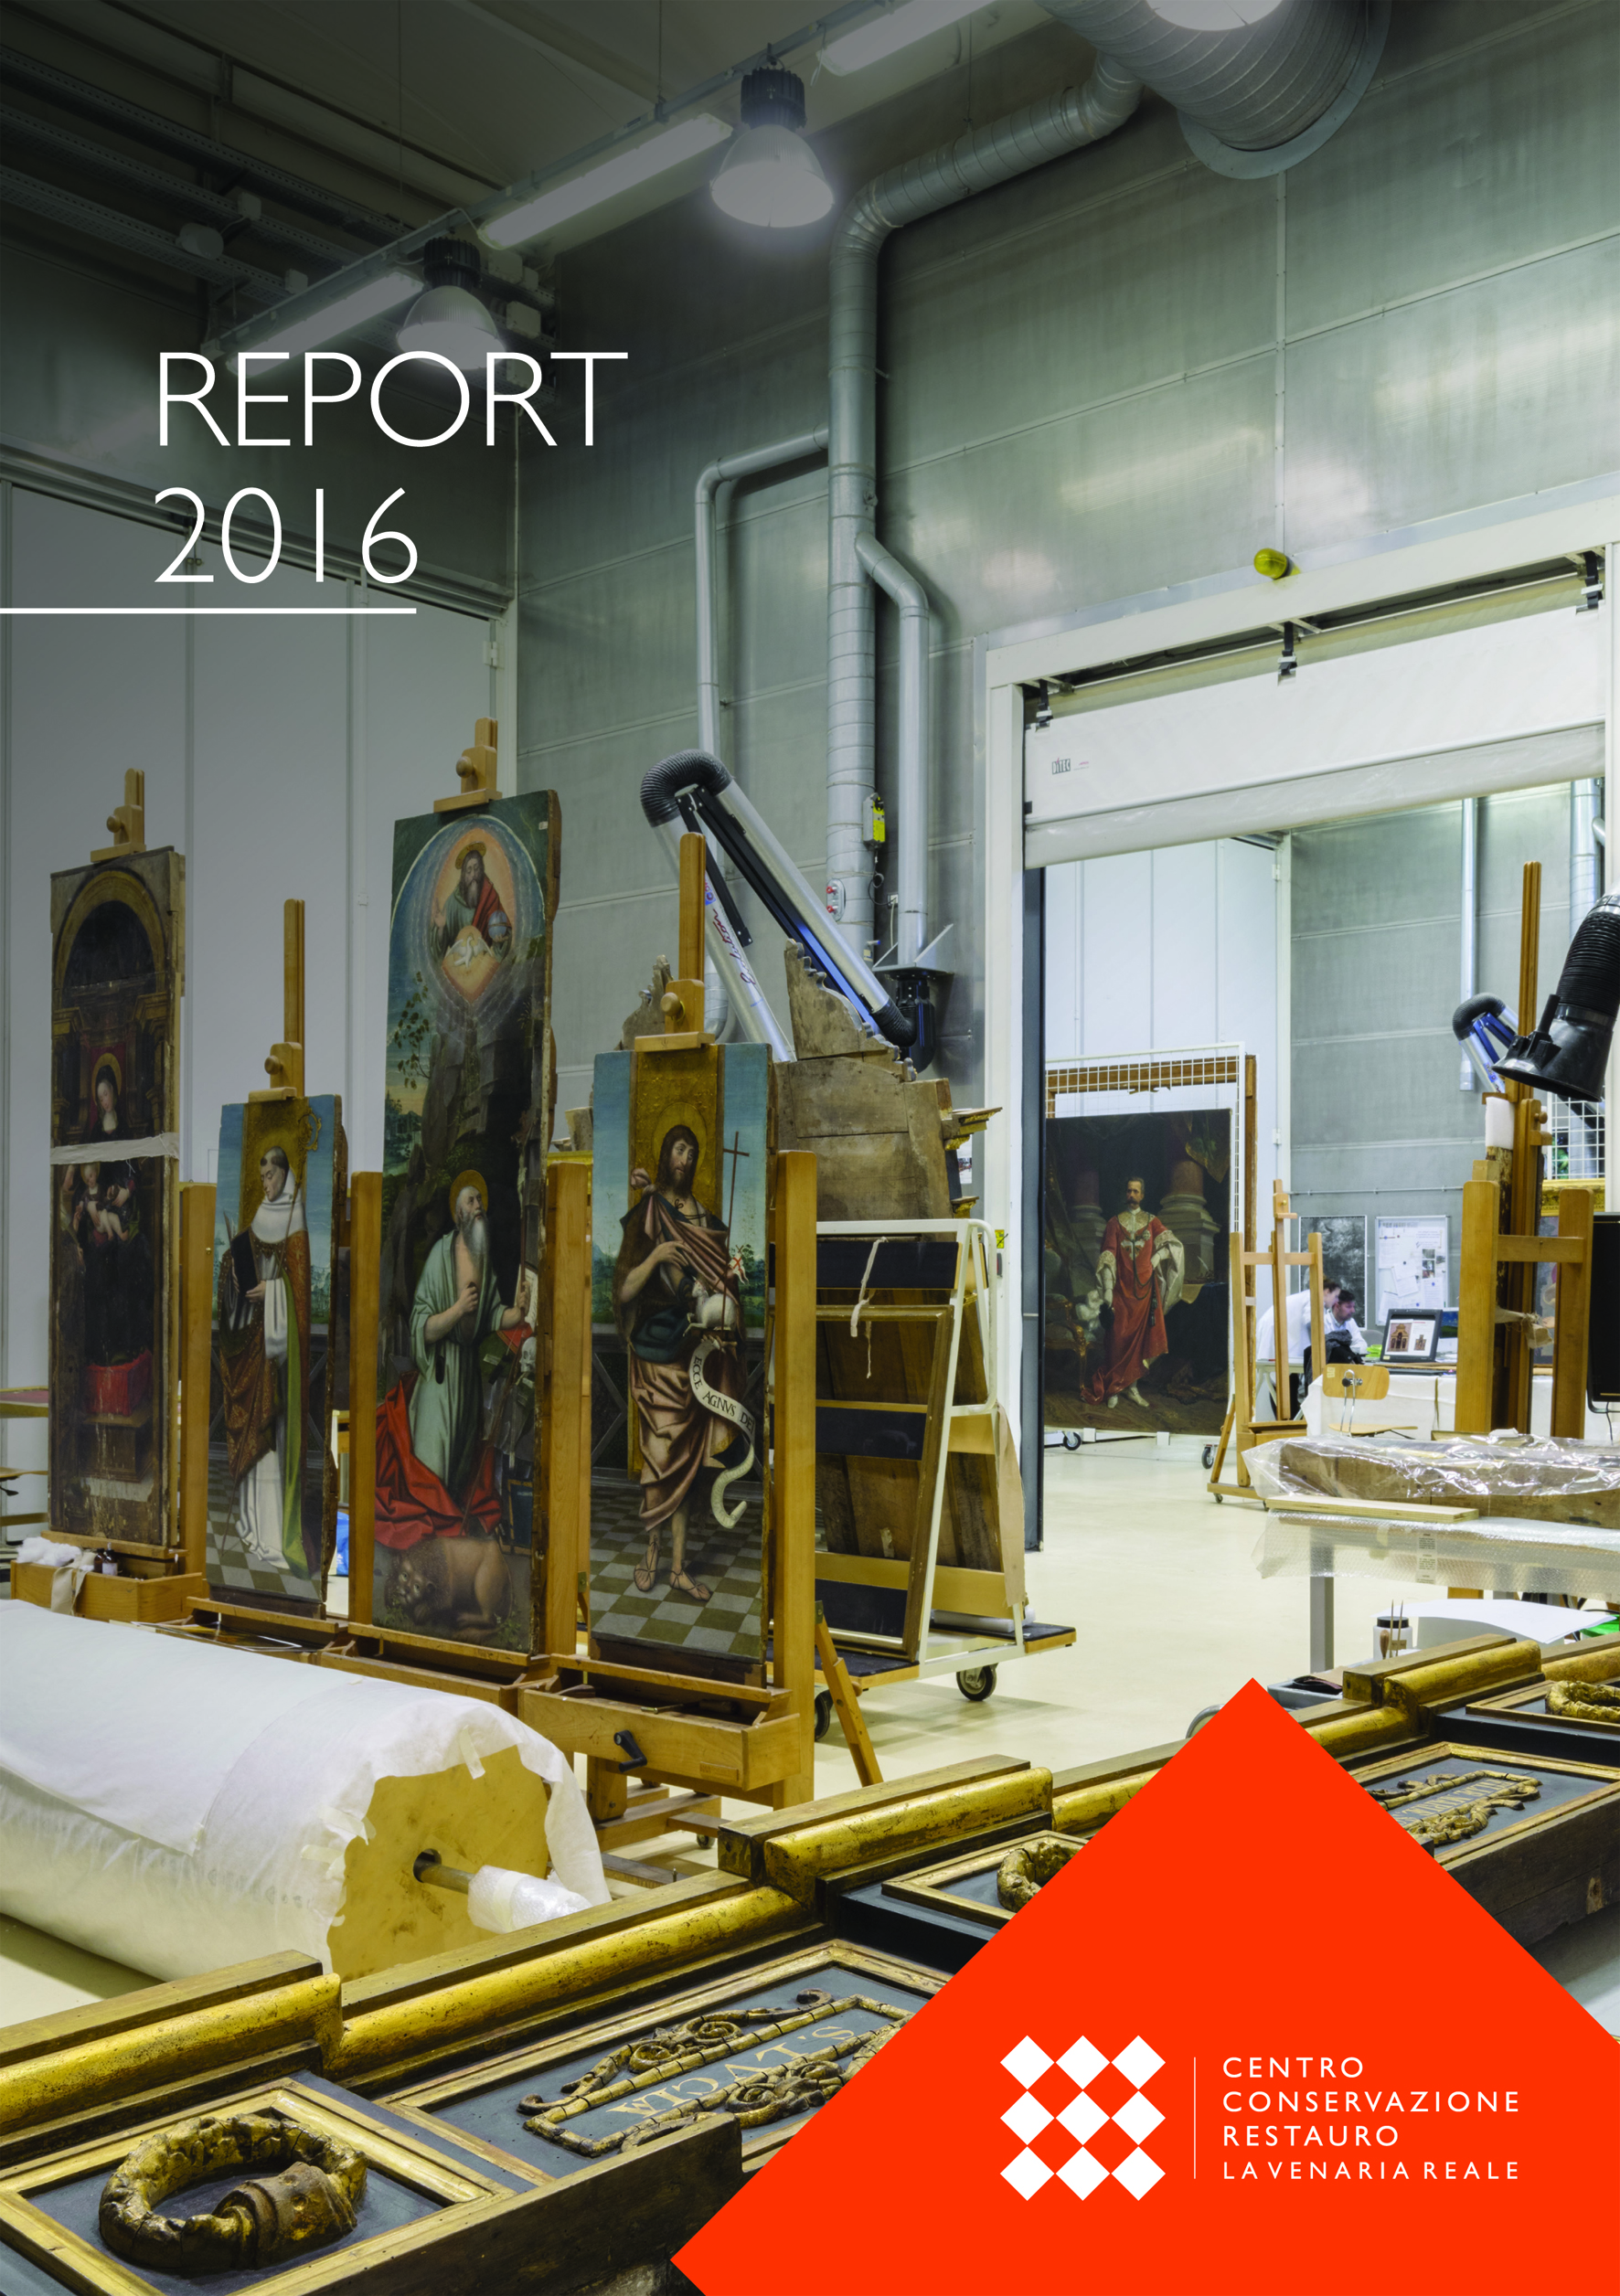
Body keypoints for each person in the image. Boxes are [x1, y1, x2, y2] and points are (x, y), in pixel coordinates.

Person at [613, 1125, 747, 1604]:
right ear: (665, 1153)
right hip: (656, 1354)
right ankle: (650, 1554)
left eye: (692, 1152)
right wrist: (657, 1257)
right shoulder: (650, 1212)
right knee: (659, 1462)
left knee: (687, 1469)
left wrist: (726, 1300)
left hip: (693, 1359)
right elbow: (624, 1290)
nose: (684, 1159)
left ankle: (677, 1568)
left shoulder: (707, 1220)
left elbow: (724, 1284)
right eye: (678, 1149)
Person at [217, 1146, 310, 1572]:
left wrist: (271, 1293)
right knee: (253, 1443)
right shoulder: (260, 1217)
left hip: (277, 1356)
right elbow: (246, 1264)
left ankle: (274, 1536)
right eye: (262, 1177)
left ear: (285, 1174)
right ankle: (253, 1526)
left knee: (270, 1439)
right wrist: (234, 1272)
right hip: (252, 1346)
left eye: (271, 1176)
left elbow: (298, 1298)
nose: (266, 1184)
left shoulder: (296, 1222)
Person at [1085, 1175, 1184, 1410]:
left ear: (1142, 1195)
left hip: (1145, 1291)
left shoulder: (1152, 1221)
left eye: (1136, 1191)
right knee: (1117, 1340)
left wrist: (1157, 1257)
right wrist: (1107, 1291)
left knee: (1140, 1343)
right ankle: (1114, 1388)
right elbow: (1108, 1255)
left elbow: (1173, 1245)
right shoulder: (1114, 1223)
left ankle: (1132, 1388)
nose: (1131, 1195)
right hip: (1120, 1290)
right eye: (1129, 1191)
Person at [437, 843, 510, 962]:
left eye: (476, 869)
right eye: (469, 870)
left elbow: (505, 930)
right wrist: (440, 929)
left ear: (481, 870)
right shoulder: (453, 902)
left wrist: (500, 940)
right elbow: (439, 949)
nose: (473, 875)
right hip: (459, 964)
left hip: (483, 962)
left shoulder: (490, 895)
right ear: (463, 875)